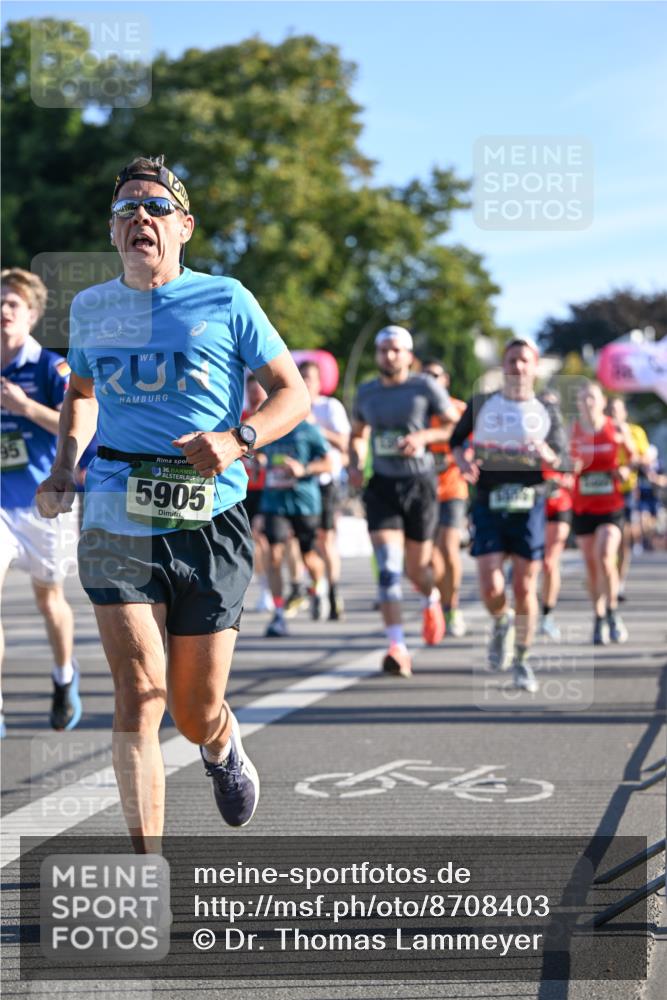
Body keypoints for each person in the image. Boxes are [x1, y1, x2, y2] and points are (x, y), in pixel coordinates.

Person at [36, 154, 309, 849]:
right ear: (112, 231)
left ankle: (219, 745)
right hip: (115, 509)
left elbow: (293, 392)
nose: (139, 219)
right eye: (126, 209)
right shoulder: (94, 308)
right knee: (137, 693)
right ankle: (144, 865)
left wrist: (239, 439)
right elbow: (82, 394)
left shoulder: (226, 298)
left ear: (183, 225)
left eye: (154, 208)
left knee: (192, 709)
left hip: (210, 514)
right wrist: (65, 467)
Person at [451, 337, 566, 693]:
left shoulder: (546, 407)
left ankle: (522, 659)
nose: (517, 367)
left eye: (524, 361)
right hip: (488, 500)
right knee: (490, 582)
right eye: (512, 360)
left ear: (534, 367)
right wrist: (462, 460)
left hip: (529, 503)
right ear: (504, 365)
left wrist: (546, 453)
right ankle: (501, 622)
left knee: (524, 585)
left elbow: (563, 458)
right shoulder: (483, 403)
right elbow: (456, 440)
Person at [349, 326, 460, 677]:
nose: (389, 356)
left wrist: (424, 436)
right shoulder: (366, 392)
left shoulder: (424, 387)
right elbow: (358, 435)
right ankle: (397, 646)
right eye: (384, 350)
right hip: (382, 485)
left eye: (396, 350)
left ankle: (432, 599)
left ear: (408, 356)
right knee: (388, 567)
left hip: (420, 484)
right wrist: (354, 463)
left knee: (417, 569)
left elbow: (454, 426)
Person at [1, 268, 81, 736]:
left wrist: (25, 408)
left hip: (40, 503)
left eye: (12, 304)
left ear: (30, 315)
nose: (3, 311)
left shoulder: (51, 367)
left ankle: (64, 676)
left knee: (49, 598)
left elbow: (79, 431)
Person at [570, 380, 635, 645]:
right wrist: (568, 467)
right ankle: (598, 618)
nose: (588, 402)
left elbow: (632, 458)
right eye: (583, 398)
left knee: (606, 554)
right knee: (592, 566)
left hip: (611, 506)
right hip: (583, 505)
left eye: (592, 398)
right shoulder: (572, 430)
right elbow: (562, 460)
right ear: (578, 403)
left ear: (603, 402)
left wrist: (624, 470)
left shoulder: (615, 427)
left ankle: (612, 612)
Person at [260, 416, 333, 637]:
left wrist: (304, 469)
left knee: (309, 555)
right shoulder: (268, 426)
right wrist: (260, 460)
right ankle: (279, 613)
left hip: (304, 503)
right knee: (274, 555)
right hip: (274, 501)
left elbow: (329, 463)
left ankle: (318, 587)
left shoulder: (309, 430)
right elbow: (259, 453)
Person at [299, 359, 351, 620]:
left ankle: (332, 590)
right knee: (304, 545)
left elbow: (344, 443)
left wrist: (314, 428)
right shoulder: (291, 408)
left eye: (311, 378)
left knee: (326, 539)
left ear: (320, 383)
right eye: (302, 377)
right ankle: (315, 587)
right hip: (298, 485)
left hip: (325, 482)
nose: (306, 383)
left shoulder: (330, 407)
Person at [421, 360, 469, 638]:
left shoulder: (459, 410)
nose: (431, 380)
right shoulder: (416, 410)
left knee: (449, 547)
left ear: (446, 380)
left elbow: (473, 444)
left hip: (453, 490)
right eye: (426, 376)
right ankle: (437, 599)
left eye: (436, 376)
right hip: (423, 490)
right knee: (428, 556)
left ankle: (453, 608)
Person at [605, 397, 650, 598]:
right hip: (603, 491)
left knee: (624, 539)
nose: (614, 414)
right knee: (605, 538)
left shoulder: (635, 431)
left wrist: (627, 441)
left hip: (626, 490)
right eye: (610, 410)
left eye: (617, 410)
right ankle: (606, 575)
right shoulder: (600, 432)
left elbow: (646, 458)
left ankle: (619, 582)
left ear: (624, 413)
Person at [539, 390, 573, 642]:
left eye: (553, 406)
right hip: (533, 506)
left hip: (559, 505)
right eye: (544, 405)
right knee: (531, 564)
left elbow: (574, 478)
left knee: (550, 562)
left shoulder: (565, 440)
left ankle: (547, 615)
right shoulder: (527, 436)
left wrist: (563, 481)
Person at [240, 373, 273, 612]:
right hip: (242, 488)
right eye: (251, 390)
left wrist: (265, 458)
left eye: (259, 389)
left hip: (266, 487)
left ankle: (266, 590)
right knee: (249, 539)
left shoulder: (271, 420)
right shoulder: (239, 417)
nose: (255, 394)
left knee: (260, 538)